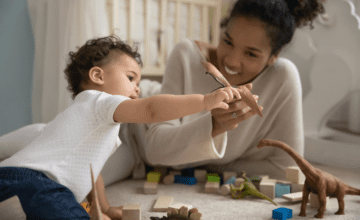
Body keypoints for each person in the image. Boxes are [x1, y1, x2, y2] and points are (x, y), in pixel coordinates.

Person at [0, 35, 241, 220]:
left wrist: (103, 208)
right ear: (98, 76)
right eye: (130, 78)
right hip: (40, 182)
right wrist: (204, 101)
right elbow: (152, 110)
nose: (137, 89)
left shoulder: (86, 120)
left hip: (14, 176)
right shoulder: (100, 102)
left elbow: (92, 174)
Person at [135, 0, 325, 179]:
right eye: (227, 41)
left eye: (251, 53)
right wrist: (214, 127)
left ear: (273, 57)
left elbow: (287, 169)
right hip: (134, 122)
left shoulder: (282, 76)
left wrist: (210, 165)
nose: (231, 61)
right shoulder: (186, 56)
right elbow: (155, 151)